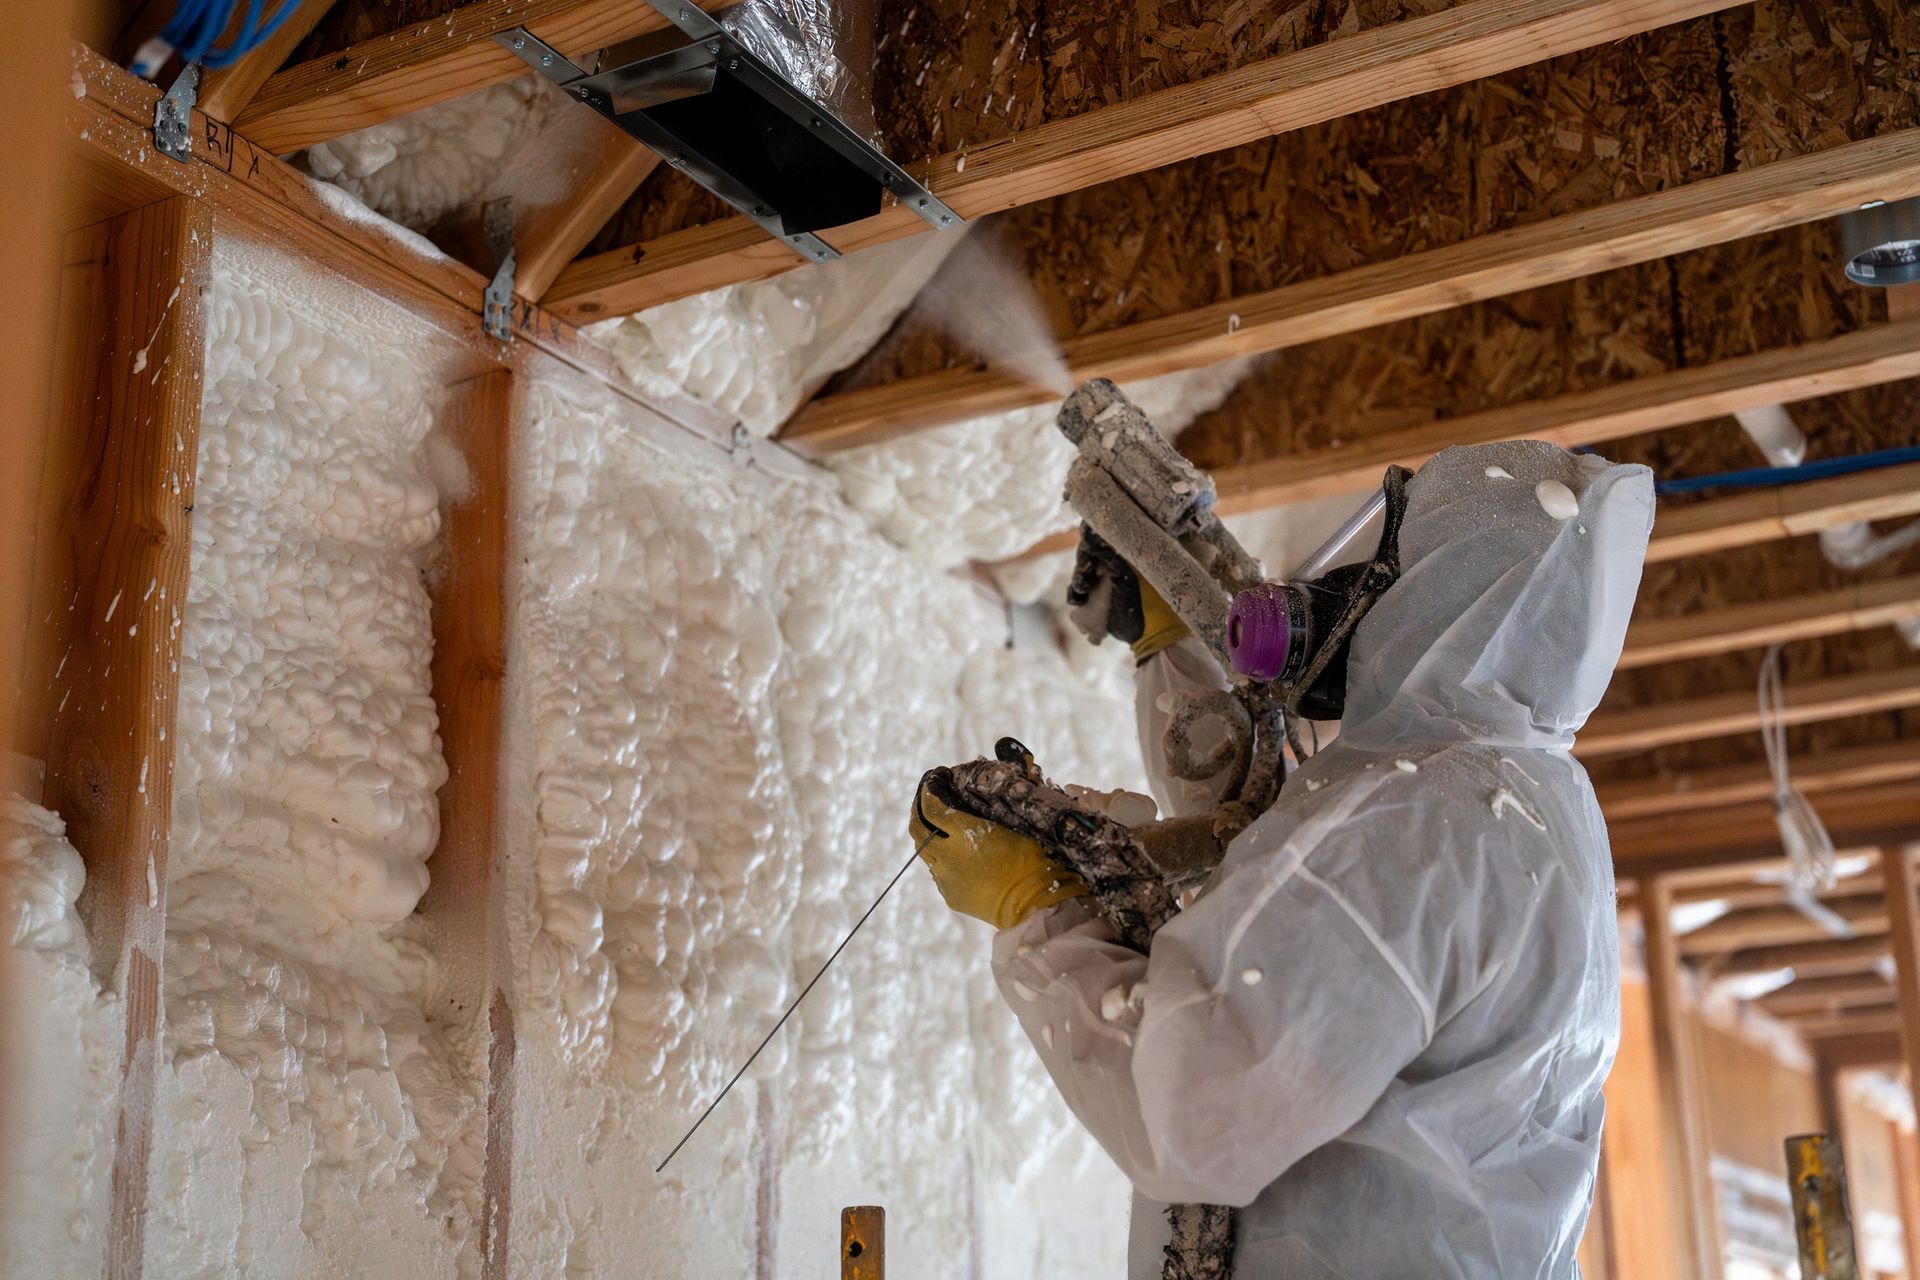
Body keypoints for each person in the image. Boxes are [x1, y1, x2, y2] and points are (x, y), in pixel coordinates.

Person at [911, 440, 1655, 1278]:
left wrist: (1035, 914)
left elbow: (1198, 1110)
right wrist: (1170, 646)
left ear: (1449, 591)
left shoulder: (1425, 823)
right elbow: (1286, 880)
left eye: (1393, 566)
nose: (1359, 597)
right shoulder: (1519, 800)